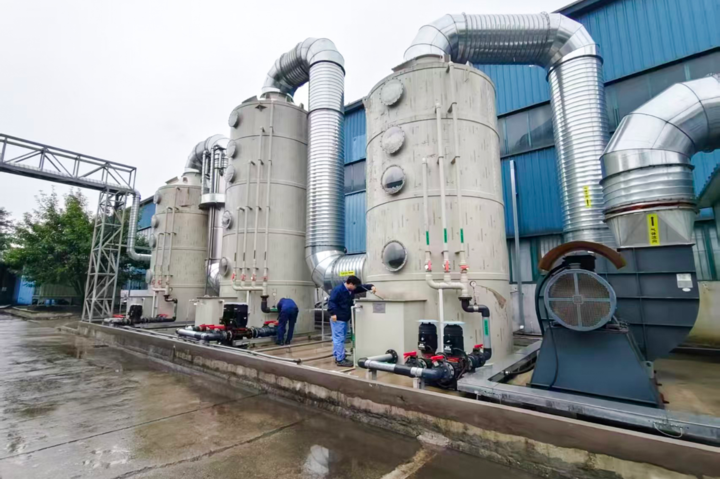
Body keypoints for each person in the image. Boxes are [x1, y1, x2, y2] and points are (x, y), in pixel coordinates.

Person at [328, 275, 376, 367]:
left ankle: (337, 355)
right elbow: (332, 302)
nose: (355, 288)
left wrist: (371, 286)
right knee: (339, 338)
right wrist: (333, 313)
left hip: (344, 317)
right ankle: (340, 360)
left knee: (340, 338)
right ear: (350, 283)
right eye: (354, 286)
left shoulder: (350, 290)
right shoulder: (338, 290)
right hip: (338, 318)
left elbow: (361, 287)